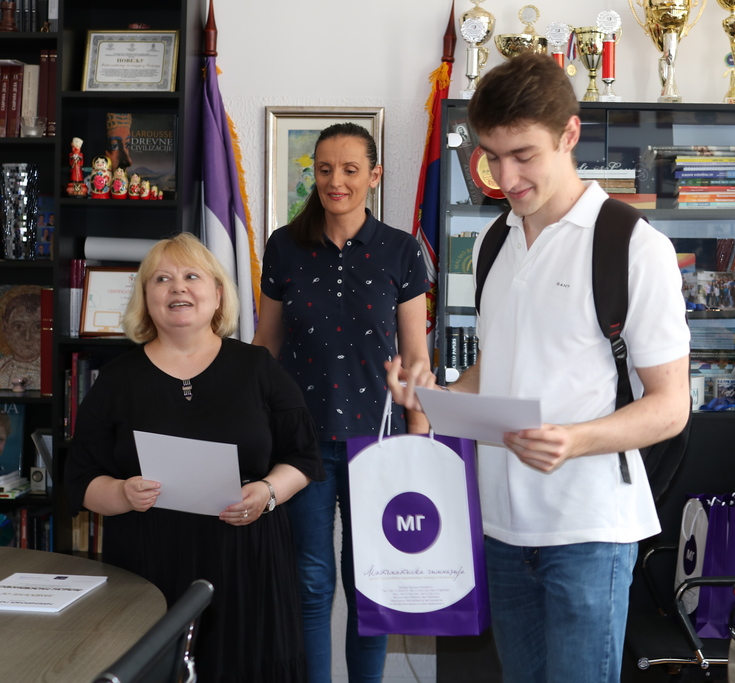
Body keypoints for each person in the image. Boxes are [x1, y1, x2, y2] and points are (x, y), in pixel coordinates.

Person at [386, 52, 691, 683]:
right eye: (493, 157)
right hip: (500, 525)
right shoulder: (493, 242)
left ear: (569, 134)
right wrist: (433, 398)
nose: (506, 176)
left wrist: (573, 440)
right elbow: (494, 370)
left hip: (588, 527)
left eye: (523, 155)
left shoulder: (634, 246)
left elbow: (670, 407)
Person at [65, 233, 324, 683]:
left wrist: (266, 492)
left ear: (218, 294)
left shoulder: (259, 368)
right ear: (145, 298)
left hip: (247, 568)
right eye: (161, 279)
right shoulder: (116, 379)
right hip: (148, 570)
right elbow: (81, 480)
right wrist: (123, 493)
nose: (177, 287)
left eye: (191, 276)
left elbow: (302, 458)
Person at [253, 122, 431, 683]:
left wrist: (418, 436)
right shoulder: (284, 246)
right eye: (325, 169)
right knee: (310, 582)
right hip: (299, 444)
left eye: (350, 170)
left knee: (369, 583)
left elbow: (415, 357)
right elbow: (264, 347)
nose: (336, 181)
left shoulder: (402, 250)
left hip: (377, 442)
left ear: (374, 176)